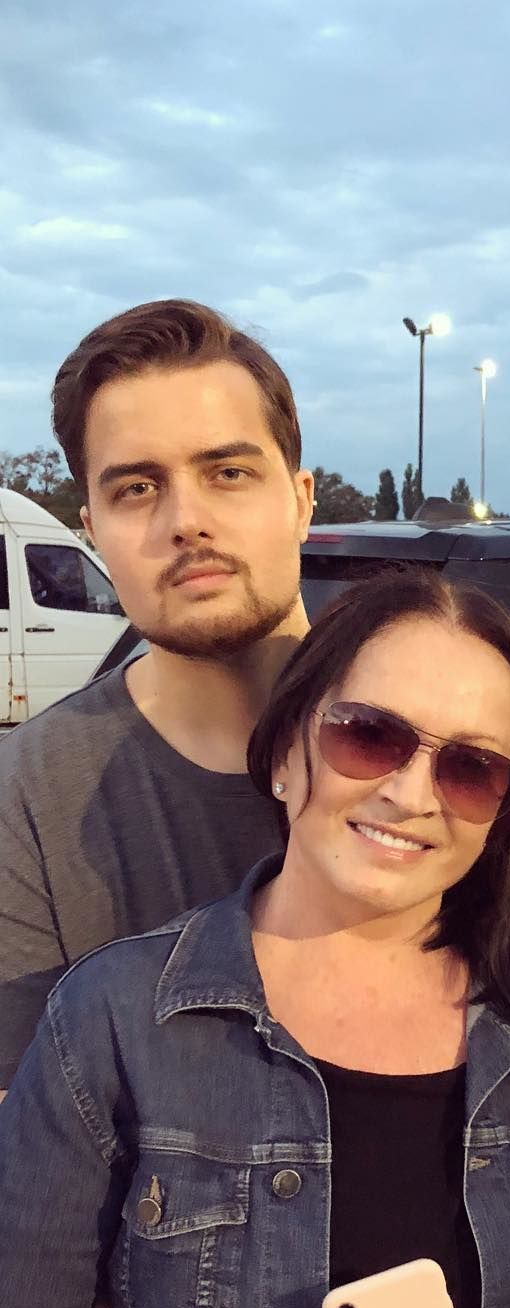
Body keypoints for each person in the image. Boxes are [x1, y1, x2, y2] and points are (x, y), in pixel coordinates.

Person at [0, 567, 510, 1308]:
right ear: (284, 750)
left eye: (471, 768)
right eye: (369, 735)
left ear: (503, 812)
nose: (412, 794)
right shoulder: (113, 1022)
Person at [0, 297, 315, 1092]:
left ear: (302, 500)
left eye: (229, 473)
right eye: (137, 488)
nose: (186, 520)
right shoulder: (26, 799)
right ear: (91, 532)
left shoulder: (433, 746)